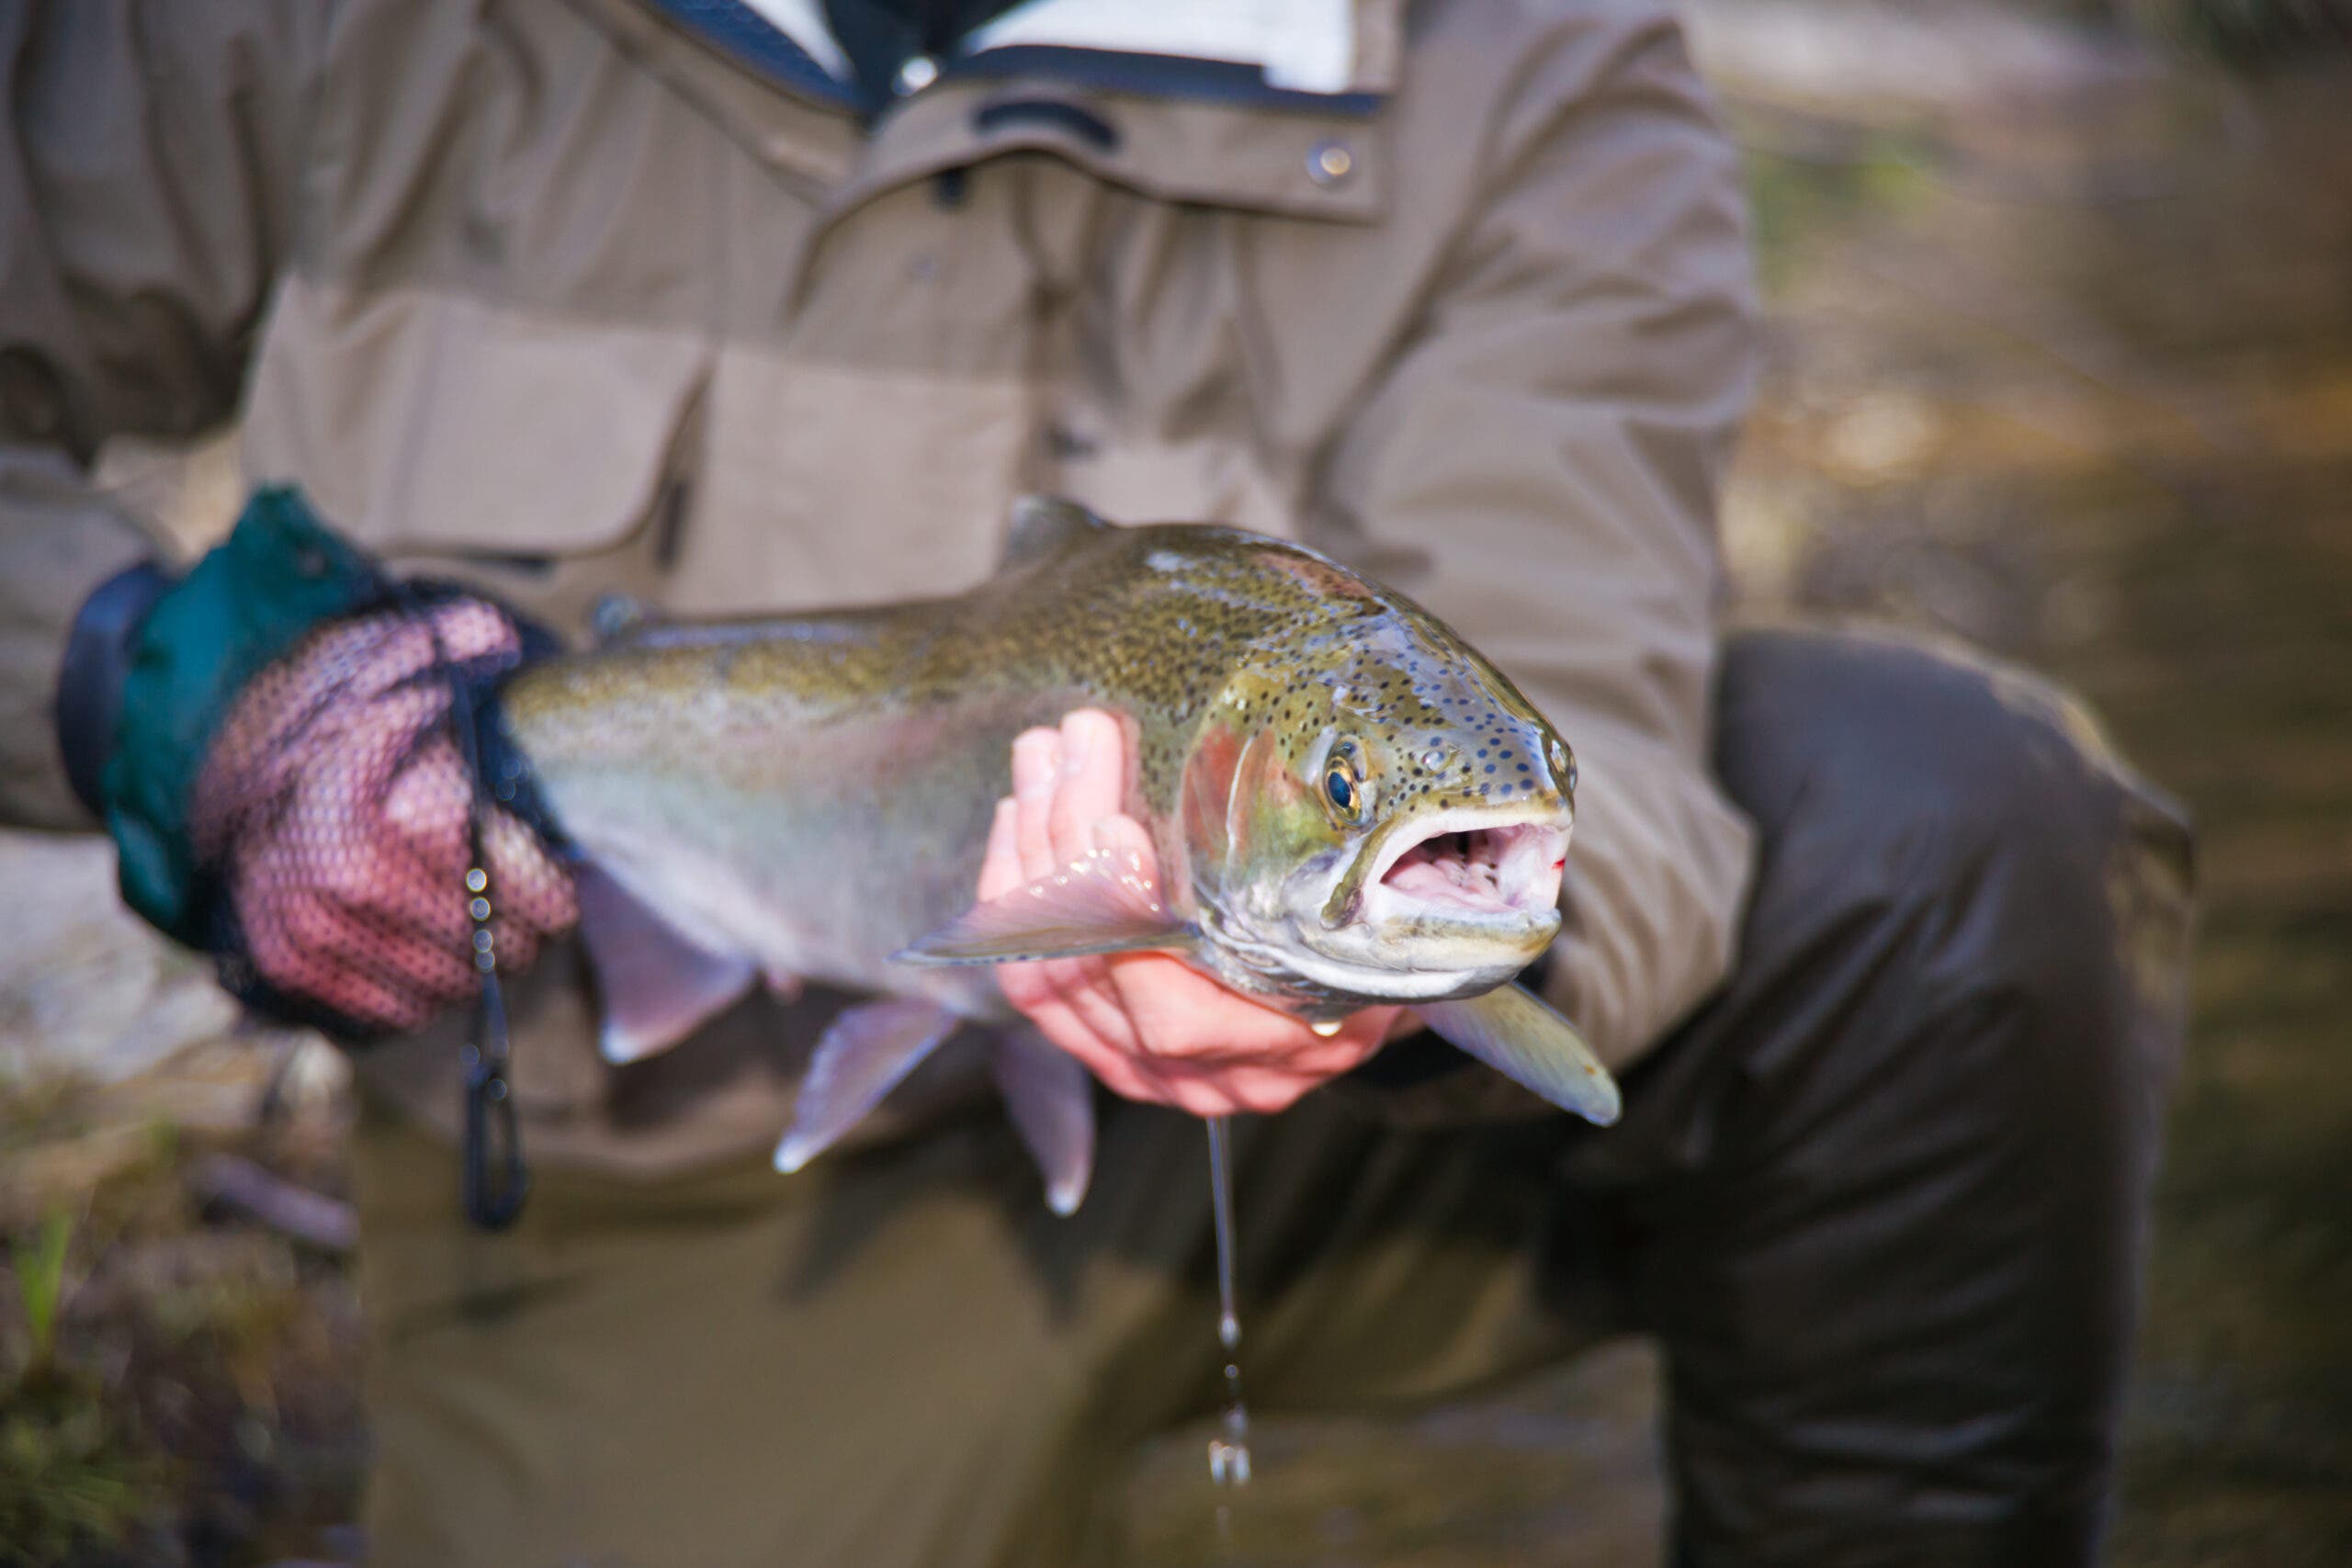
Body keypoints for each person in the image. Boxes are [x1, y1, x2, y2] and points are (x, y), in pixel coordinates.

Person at [1, 1, 2193, 1563]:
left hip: (1347, 1154)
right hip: (657, 1195)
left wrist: (1340, 991)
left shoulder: (1531, 64)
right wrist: (155, 688)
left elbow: (1596, 734)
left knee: (1947, 843)